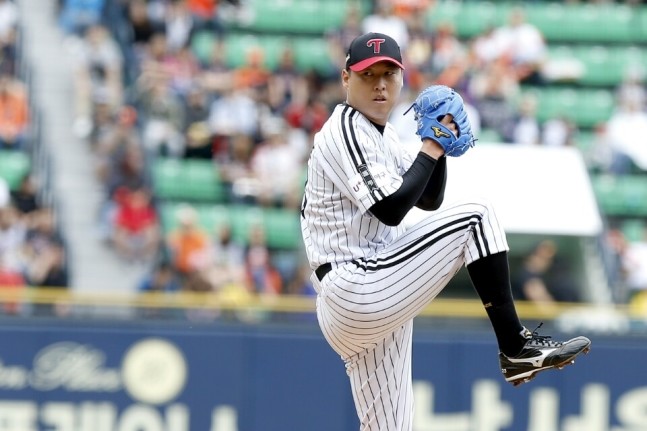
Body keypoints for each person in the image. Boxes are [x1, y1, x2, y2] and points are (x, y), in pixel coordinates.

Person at [300, 32, 591, 431]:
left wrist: (438, 139)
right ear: (346, 78)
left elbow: (427, 198)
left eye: (389, 74)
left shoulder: (383, 135)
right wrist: (433, 145)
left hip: (374, 292)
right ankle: (515, 346)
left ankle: (516, 349)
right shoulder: (345, 128)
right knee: (476, 217)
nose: (380, 84)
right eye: (368, 75)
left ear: (401, 78)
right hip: (355, 287)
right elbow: (391, 209)